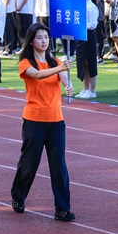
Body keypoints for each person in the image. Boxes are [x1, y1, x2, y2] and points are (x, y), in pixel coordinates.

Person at [11, 23, 75, 221]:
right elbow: (38, 75)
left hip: (56, 120)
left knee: (59, 166)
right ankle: (18, 196)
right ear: (31, 41)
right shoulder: (26, 63)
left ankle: (62, 208)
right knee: (30, 163)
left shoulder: (54, 61)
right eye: (39, 37)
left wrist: (69, 85)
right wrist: (60, 67)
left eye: (46, 37)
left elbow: (65, 79)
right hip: (34, 120)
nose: (44, 41)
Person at [75, 0, 100, 100]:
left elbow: (93, 24)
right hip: (80, 36)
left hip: (88, 35)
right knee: (82, 63)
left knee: (90, 63)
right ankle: (85, 88)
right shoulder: (80, 6)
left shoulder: (92, 7)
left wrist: (80, 27)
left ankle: (92, 90)